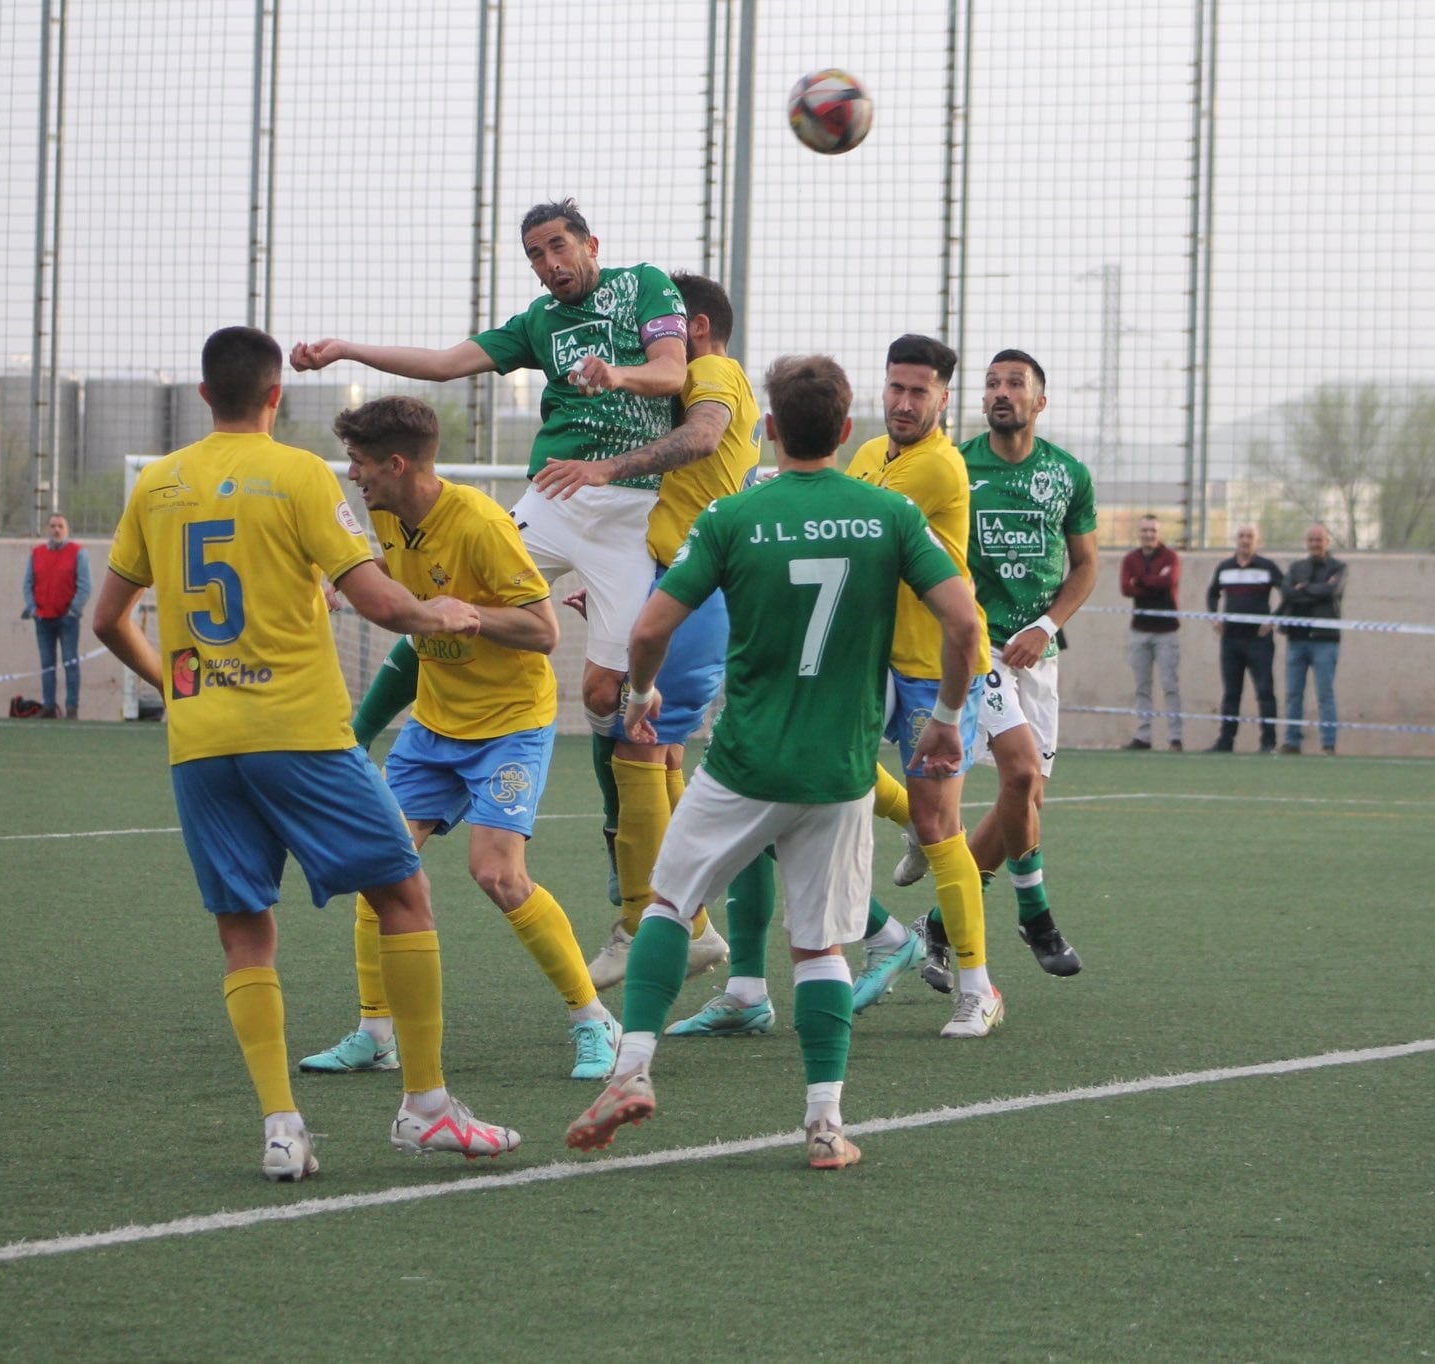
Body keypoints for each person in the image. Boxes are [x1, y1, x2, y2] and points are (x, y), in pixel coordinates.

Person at [91, 326, 519, 1180]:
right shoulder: (297, 476)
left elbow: (107, 620)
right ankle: (427, 1109)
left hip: (201, 742)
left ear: (208, 396)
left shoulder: (159, 483)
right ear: (277, 395)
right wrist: (442, 614)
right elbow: (380, 601)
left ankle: (282, 1129)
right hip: (298, 732)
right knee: (404, 894)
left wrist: (177, 692)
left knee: (246, 933)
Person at [291, 201, 729, 980]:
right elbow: (445, 362)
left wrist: (616, 374)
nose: (549, 262)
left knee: (613, 698)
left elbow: (670, 373)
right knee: (439, 597)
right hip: (555, 496)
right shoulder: (538, 322)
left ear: (591, 244)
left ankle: (657, 902)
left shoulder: (645, 287)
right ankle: (358, 735)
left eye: (558, 245)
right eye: (534, 253)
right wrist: (348, 349)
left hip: (632, 510)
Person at [564, 354, 981, 1167]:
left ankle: (633, 1071)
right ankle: (825, 1124)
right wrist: (948, 720)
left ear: (770, 429)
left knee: (667, 910)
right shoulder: (891, 515)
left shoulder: (730, 516)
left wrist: (643, 700)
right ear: (848, 428)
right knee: (822, 948)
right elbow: (963, 622)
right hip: (840, 772)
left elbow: (648, 631)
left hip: (745, 764)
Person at [293, 396, 620, 1084]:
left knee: (497, 873)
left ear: (397, 463)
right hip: (435, 724)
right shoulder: (378, 517)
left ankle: (595, 1022)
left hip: (508, 725)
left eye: (359, 462)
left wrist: (468, 618)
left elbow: (544, 631)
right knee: (376, 865)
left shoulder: (478, 523)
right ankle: (374, 1033)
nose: (353, 475)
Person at [531, 272, 760, 992]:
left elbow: (704, 436)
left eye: (658, 331)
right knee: (654, 750)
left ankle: (643, 924)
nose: (645, 344)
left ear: (692, 328)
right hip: (675, 578)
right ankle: (685, 923)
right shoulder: (699, 376)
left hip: (704, 584)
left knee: (641, 738)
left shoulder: (715, 370)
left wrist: (608, 468)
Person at [843, 335, 1002, 1039]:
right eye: (895, 388)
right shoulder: (871, 455)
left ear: (944, 399)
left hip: (938, 666)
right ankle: (905, 820)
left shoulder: (938, 467)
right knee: (820, 768)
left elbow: (850, 526)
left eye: (919, 392)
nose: (904, 403)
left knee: (943, 825)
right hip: (877, 654)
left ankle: (978, 986)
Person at [1206, 523, 1282, 754]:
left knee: (1264, 691)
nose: (1245, 540)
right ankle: (1226, 741)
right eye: (1241, 536)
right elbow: (1212, 594)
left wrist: (1273, 620)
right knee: (1231, 693)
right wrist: (1214, 617)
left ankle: (1268, 742)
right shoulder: (1225, 567)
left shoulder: (1267, 567)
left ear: (1257, 541)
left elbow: (1287, 594)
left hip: (1258, 641)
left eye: (1250, 536)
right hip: (1231, 640)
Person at [1279, 524, 1347, 755]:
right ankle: (1292, 741)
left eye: (1319, 540)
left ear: (1328, 541)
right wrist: (1312, 590)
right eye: (1311, 540)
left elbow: (1331, 592)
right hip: (1297, 639)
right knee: (1293, 693)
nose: (1315, 544)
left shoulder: (1339, 567)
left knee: (1325, 694)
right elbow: (1287, 592)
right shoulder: (1296, 566)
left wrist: (1304, 587)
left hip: (1325, 640)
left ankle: (1328, 744)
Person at [1119, 513, 1182, 750]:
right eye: (1145, 531)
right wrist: (1153, 581)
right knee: (1142, 686)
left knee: (1170, 685)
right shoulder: (1131, 559)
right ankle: (1143, 736)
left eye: (1153, 531)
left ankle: (1175, 737)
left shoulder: (1171, 557)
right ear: (1139, 533)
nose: (1149, 535)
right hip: (1139, 631)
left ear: (1159, 533)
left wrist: (1141, 582)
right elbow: (1126, 587)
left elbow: (1169, 582)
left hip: (1167, 632)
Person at [22, 513, 91, 719]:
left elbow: (85, 585)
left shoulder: (78, 553)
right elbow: (28, 584)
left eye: (60, 526)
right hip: (43, 618)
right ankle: (49, 705)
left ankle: (72, 708)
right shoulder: (37, 553)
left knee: (70, 662)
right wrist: (33, 609)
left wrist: (73, 611)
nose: (56, 530)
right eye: (52, 526)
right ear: (47, 529)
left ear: (67, 529)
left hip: (67, 619)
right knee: (47, 664)